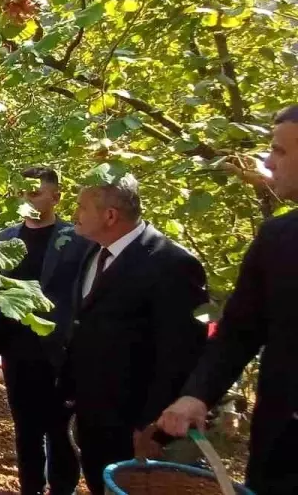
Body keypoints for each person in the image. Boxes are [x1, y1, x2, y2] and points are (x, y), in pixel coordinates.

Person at [156, 105, 298, 495]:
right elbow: (239, 331)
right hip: (283, 452)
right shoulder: (277, 239)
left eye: (281, 151)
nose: (268, 161)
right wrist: (197, 394)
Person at [65, 173, 208, 493]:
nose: (75, 214)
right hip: (92, 416)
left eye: (81, 207)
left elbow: (180, 355)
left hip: (134, 429)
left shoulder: (172, 264)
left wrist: (152, 428)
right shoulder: (94, 252)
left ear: (110, 215)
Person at [0, 167, 85, 495]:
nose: (27, 199)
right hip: (18, 352)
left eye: (36, 193)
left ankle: (62, 489)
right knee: (26, 430)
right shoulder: (4, 240)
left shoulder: (77, 240)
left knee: (61, 430)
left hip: (63, 354)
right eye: (23, 193)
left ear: (55, 197)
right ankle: (30, 488)